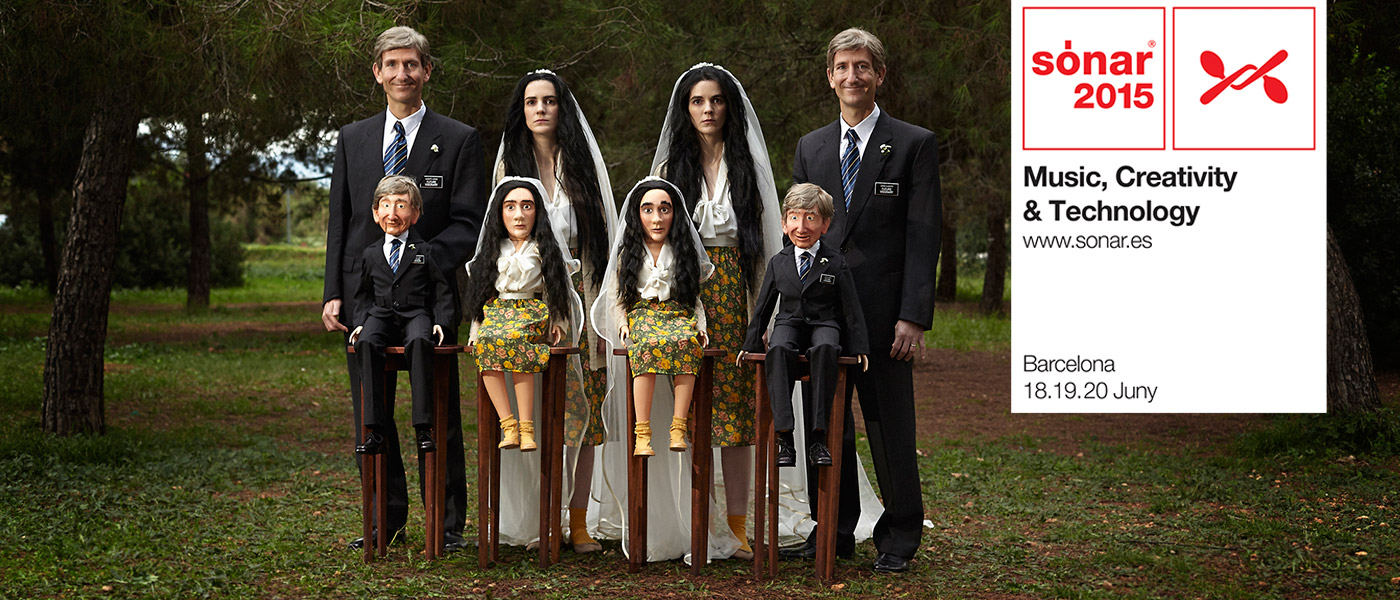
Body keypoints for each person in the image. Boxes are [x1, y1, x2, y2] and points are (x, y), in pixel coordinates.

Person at [320, 25, 486, 552]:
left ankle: (447, 525)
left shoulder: (458, 139)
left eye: (411, 63)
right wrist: (333, 292)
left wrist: (417, 261)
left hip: (428, 301)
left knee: (438, 411)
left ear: (427, 71)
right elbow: (341, 223)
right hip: (365, 301)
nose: (401, 73)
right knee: (372, 412)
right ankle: (382, 522)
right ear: (377, 73)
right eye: (391, 64)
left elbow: (468, 224)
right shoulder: (352, 139)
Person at [790, 27, 942, 573]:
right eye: (842, 67)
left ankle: (899, 537)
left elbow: (924, 235)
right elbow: (800, 233)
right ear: (829, 77)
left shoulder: (913, 144)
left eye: (862, 66)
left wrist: (912, 316)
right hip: (823, 317)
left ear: (879, 75)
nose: (851, 76)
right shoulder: (810, 148)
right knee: (825, 426)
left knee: (890, 428)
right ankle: (832, 529)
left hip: (885, 318)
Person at [651, 63, 783, 559]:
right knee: (688, 414)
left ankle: (738, 526)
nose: (708, 110)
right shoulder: (671, 170)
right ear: (685, 110)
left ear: (730, 107)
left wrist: (767, 314)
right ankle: (698, 522)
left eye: (717, 100)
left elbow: (767, 248)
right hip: (684, 295)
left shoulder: (748, 165)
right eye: (697, 101)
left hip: (737, 296)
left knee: (736, 415)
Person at [492, 69, 616, 553]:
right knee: (536, 414)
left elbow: (602, 245)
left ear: (562, 109)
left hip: (581, 295)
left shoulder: (581, 166)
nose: (540, 109)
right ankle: (543, 518)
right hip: (527, 301)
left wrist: (602, 314)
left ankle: (579, 521)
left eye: (549, 101)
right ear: (521, 111)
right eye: (531, 102)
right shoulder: (511, 167)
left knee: (584, 413)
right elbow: (495, 241)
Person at [592, 177, 740, 563]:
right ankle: (642, 430)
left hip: (676, 314)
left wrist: (700, 326)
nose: (656, 218)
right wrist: (623, 322)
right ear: (637, 215)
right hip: (643, 315)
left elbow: (694, 300)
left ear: (675, 214)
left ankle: (678, 424)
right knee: (644, 346)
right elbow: (618, 297)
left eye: (664, 209)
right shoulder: (629, 253)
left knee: (687, 343)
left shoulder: (682, 251)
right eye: (648, 210)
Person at [738, 183, 868, 469]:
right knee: (779, 349)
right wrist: (751, 344)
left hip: (824, 322)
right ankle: (785, 437)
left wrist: (859, 346)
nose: (802, 227)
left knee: (826, 347)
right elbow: (764, 305)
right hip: (789, 321)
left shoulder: (836, 263)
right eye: (795, 218)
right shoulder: (779, 262)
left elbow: (851, 308)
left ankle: (818, 437)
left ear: (825, 224)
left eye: (810, 218)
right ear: (784, 224)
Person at [349, 176, 456, 457]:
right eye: (385, 205)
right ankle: (375, 429)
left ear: (415, 213)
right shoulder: (371, 253)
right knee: (367, 343)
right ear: (376, 213)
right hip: (381, 314)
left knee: (420, 342)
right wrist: (360, 323)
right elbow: (362, 293)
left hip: (415, 313)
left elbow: (441, 289)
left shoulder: (424, 251)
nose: (392, 213)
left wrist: (441, 321)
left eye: (401, 205)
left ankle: (423, 427)